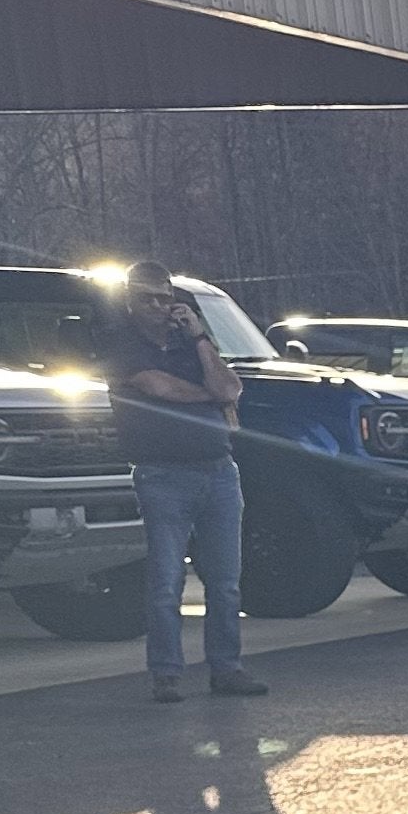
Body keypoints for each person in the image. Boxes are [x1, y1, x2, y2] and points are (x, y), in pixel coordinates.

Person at [106, 262, 266, 701]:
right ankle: (166, 674)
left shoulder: (192, 343)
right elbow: (160, 389)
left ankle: (227, 668)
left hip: (218, 471)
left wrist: (198, 337)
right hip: (162, 474)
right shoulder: (121, 344)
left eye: (164, 297)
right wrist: (210, 396)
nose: (157, 306)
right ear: (130, 301)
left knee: (226, 581)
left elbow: (230, 388)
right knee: (165, 582)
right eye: (147, 298)